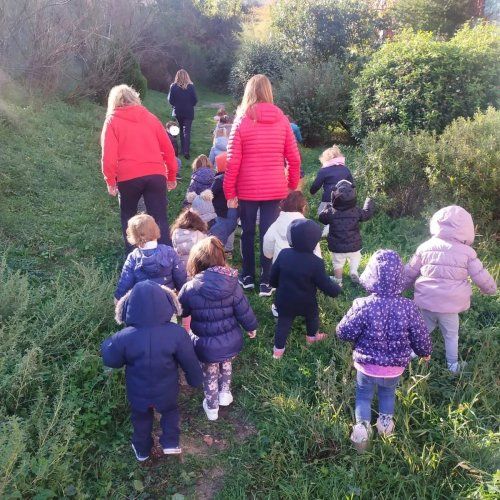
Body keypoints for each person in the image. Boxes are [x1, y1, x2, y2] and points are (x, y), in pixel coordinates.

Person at [337, 250, 432, 451]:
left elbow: (343, 332)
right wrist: (424, 351)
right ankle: (386, 426)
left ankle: (362, 429)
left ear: (370, 275)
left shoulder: (363, 305)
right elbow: (420, 333)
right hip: (394, 368)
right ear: (400, 278)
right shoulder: (408, 307)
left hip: (366, 365)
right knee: (388, 394)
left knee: (363, 395)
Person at [101, 280, 203, 461]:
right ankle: (171, 442)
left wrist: (107, 344)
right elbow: (189, 360)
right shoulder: (177, 333)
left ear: (129, 306)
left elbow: (112, 360)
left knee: (141, 418)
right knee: (170, 412)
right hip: (167, 390)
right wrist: (195, 380)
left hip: (138, 392)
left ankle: (142, 450)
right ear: (166, 303)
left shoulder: (123, 337)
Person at [223, 74, 301, 297]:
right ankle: (267, 281)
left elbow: (232, 161)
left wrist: (230, 191)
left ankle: (247, 277)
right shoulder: (283, 121)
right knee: (270, 233)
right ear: (268, 91)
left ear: (249, 91)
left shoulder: (241, 121)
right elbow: (294, 159)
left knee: (247, 232)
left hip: (247, 189)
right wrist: (291, 186)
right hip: (275, 188)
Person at [404, 206, 497, 374]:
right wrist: (490, 289)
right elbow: (480, 275)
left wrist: (399, 286)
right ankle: (452, 365)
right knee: (451, 336)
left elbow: (410, 271)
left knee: (423, 329)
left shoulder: (425, 247)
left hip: (427, 301)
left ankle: (411, 354)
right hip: (450, 306)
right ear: (467, 229)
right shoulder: (468, 252)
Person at [178, 237, 258, 421]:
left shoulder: (190, 288)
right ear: (222, 258)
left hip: (205, 343)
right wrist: (251, 327)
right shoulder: (233, 284)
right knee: (226, 363)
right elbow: (243, 309)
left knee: (210, 372)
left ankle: (212, 406)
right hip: (231, 340)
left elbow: (182, 310)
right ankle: (225, 394)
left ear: (195, 261)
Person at [101, 85, 178, 252]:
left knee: (129, 220)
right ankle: (167, 263)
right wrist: (171, 176)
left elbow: (109, 155)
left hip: (128, 177)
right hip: (155, 174)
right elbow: (168, 150)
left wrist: (110, 180)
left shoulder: (112, 120)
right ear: (135, 98)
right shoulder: (151, 118)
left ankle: (134, 259)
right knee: (160, 220)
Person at [269, 219, 341, 359]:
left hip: (284, 300)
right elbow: (324, 283)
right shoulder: (316, 262)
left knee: (283, 323)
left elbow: (273, 274)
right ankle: (311, 338)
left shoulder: (284, 254)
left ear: (291, 238)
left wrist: (275, 284)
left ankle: (278, 351)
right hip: (306, 302)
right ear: (315, 241)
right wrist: (336, 290)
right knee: (312, 317)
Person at [114, 214, 187, 301]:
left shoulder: (133, 257)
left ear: (133, 236)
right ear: (156, 229)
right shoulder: (169, 252)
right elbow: (180, 275)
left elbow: (125, 281)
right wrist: (181, 291)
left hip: (144, 302)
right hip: (167, 300)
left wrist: (118, 297)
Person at [319, 180, 374, 286]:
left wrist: (327, 207)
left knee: (337, 263)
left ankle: (338, 280)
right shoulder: (356, 211)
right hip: (354, 245)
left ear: (333, 197)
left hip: (337, 246)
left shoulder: (331, 212)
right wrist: (369, 200)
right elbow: (367, 214)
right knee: (355, 257)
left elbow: (322, 218)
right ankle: (353, 271)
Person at [310, 145, 354, 220]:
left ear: (324, 158)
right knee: (341, 218)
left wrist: (312, 192)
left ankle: (326, 228)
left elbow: (316, 185)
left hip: (328, 199)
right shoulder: (345, 169)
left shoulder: (323, 170)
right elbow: (351, 184)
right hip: (344, 199)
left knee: (322, 215)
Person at [168, 69, 197, 159]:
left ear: (177, 76)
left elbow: (171, 100)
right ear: (187, 76)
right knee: (187, 131)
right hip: (189, 111)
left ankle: (181, 150)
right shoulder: (191, 87)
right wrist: (190, 105)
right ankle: (186, 151)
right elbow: (195, 100)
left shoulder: (173, 87)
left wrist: (176, 104)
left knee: (181, 130)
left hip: (178, 111)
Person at [211, 152, 234, 255]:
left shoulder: (219, 180)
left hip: (220, 211)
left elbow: (211, 193)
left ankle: (218, 250)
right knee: (230, 229)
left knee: (220, 232)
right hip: (233, 210)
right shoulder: (235, 178)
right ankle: (229, 250)